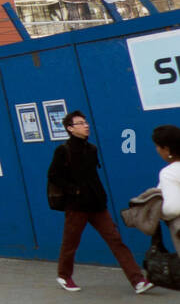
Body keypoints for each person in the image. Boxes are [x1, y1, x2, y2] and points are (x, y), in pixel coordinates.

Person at [47, 110, 153, 293]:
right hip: (77, 207)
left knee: (116, 241)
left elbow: (93, 176)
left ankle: (138, 281)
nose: (86, 125)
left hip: (97, 205)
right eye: (80, 123)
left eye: (86, 122)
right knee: (70, 244)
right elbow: (54, 176)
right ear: (70, 128)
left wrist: (100, 196)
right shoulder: (63, 150)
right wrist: (75, 190)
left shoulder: (91, 149)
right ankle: (64, 276)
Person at [154, 124, 180, 249]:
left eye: (158, 146)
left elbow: (172, 209)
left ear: (167, 149)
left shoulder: (169, 173)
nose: (157, 150)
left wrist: (157, 213)